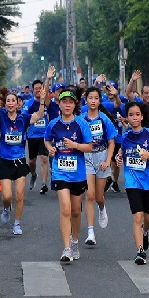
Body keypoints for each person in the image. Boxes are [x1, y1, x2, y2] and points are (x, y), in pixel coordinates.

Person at [0, 69, 52, 235]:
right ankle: (6, 209)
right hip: (4, 162)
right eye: (8, 100)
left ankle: (17, 223)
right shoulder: (1, 115)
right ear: (6, 103)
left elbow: (39, 115)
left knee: (19, 195)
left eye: (14, 101)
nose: (11, 103)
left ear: (18, 104)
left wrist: (42, 100)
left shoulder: (23, 118)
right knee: (7, 197)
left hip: (19, 163)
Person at [44, 88, 94, 262]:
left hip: (78, 173)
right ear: (59, 104)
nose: (67, 105)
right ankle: (66, 248)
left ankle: (74, 242)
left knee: (75, 211)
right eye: (64, 102)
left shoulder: (81, 124)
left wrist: (75, 145)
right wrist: (50, 148)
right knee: (65, 209)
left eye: (70, 102)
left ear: (75, 105)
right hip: (60, 172)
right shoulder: (53, 124)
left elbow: (89, 146)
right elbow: (47, 139)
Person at [115, 101, 149, 265]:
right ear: (127, 118)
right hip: (132, 181)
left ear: (142, 117)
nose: (134, 118)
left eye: (137, 114)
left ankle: (145, 232)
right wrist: (118, 157)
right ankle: (140, 251)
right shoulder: (126, 136)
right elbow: (122, 151)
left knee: (148, 219)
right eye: (130, 115)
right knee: (137, 216)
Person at [80, 87, 116, 247]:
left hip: (102, 157)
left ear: (99, 101)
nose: (93, 101)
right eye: (90, 98)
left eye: (96, 98)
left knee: (99, 197)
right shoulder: (81, 119)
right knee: (90, 196)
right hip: (87, 158)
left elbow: (111, 142)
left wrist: (108, 160)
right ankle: (90, 232)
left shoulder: (104, 119)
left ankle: (102, 208)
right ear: (85, 100)